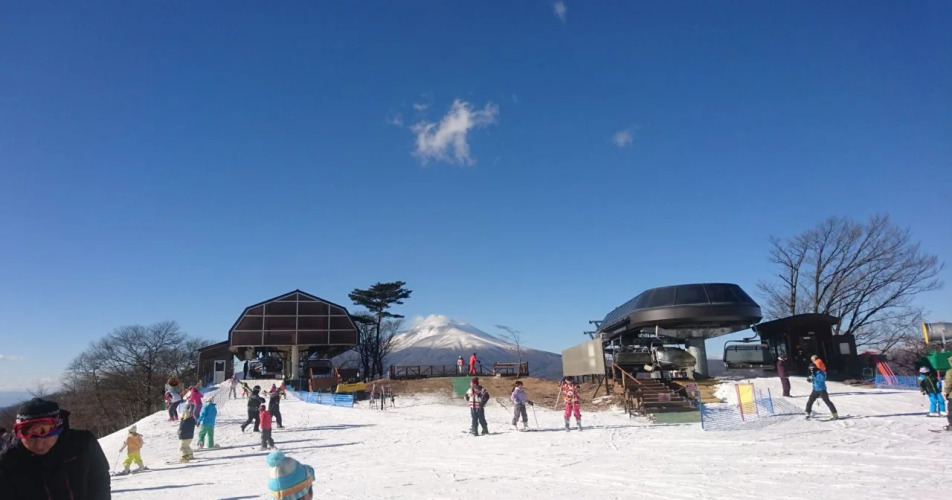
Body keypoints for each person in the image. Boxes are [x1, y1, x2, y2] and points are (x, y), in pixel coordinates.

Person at [0, 397, 111, 499]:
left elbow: (99, 479)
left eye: (44, 431)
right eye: (29, 435)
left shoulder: (82, 443)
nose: (39, 444)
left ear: (59, 427)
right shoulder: (7, 462)